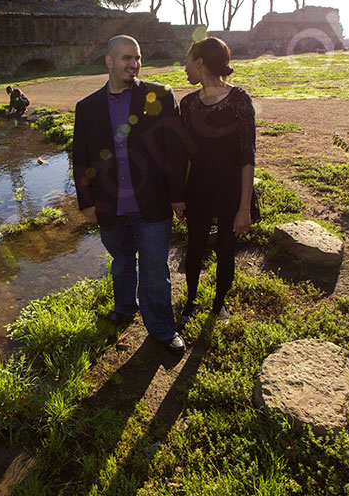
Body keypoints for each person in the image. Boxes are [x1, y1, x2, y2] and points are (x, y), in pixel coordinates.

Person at [72, 35, 188, 353]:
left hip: (152, 204)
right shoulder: (87, 108)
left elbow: (175, 152)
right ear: (109, 61)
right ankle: (125, 308)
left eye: (137, 58)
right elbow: (80, 159)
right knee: (122, 262)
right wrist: (86, 202)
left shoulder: (160, 96)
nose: (134, 64)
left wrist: (178, 195)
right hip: (110, 207)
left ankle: (163, 329)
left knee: (154, 269)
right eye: (126, 58)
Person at [176, 37, 257, 325]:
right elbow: (184, 155)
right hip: (198, 188)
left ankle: (219, 304)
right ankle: (189, 302)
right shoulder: (186, 104)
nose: (184, 68)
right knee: (195, 247)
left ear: (200, 63)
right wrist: (179, 195)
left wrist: (244, 208)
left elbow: (248, 156)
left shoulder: (240, 100)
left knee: (225, 250)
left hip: (231, 190)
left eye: (187, 61)